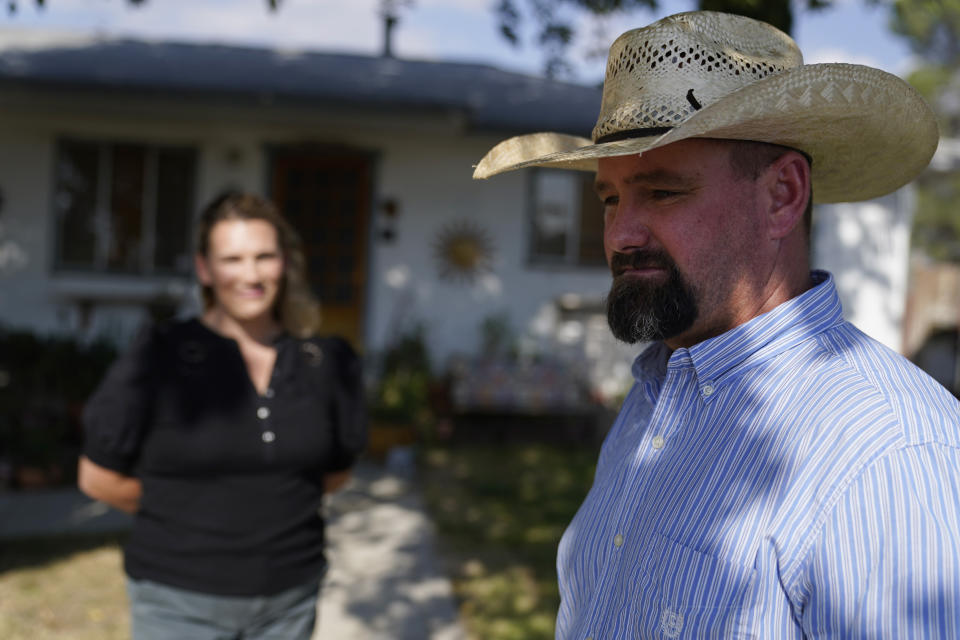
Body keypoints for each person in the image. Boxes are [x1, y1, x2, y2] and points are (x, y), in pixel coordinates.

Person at [474, 11, 960, 639]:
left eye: (664, 192)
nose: (620, 234)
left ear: (783, 194)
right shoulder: (659, 393)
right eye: (609, 198)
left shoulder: (889, 455)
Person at [77, 192, 366, 640]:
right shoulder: (160, 354)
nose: (250, 275)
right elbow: (98, 479)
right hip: (178, 604)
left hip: (289, 605)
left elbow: (335, 472)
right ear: (205, 269)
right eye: (232, 259)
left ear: (284, 262)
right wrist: (190, 514)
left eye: (263, 257)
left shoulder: (324, 361)